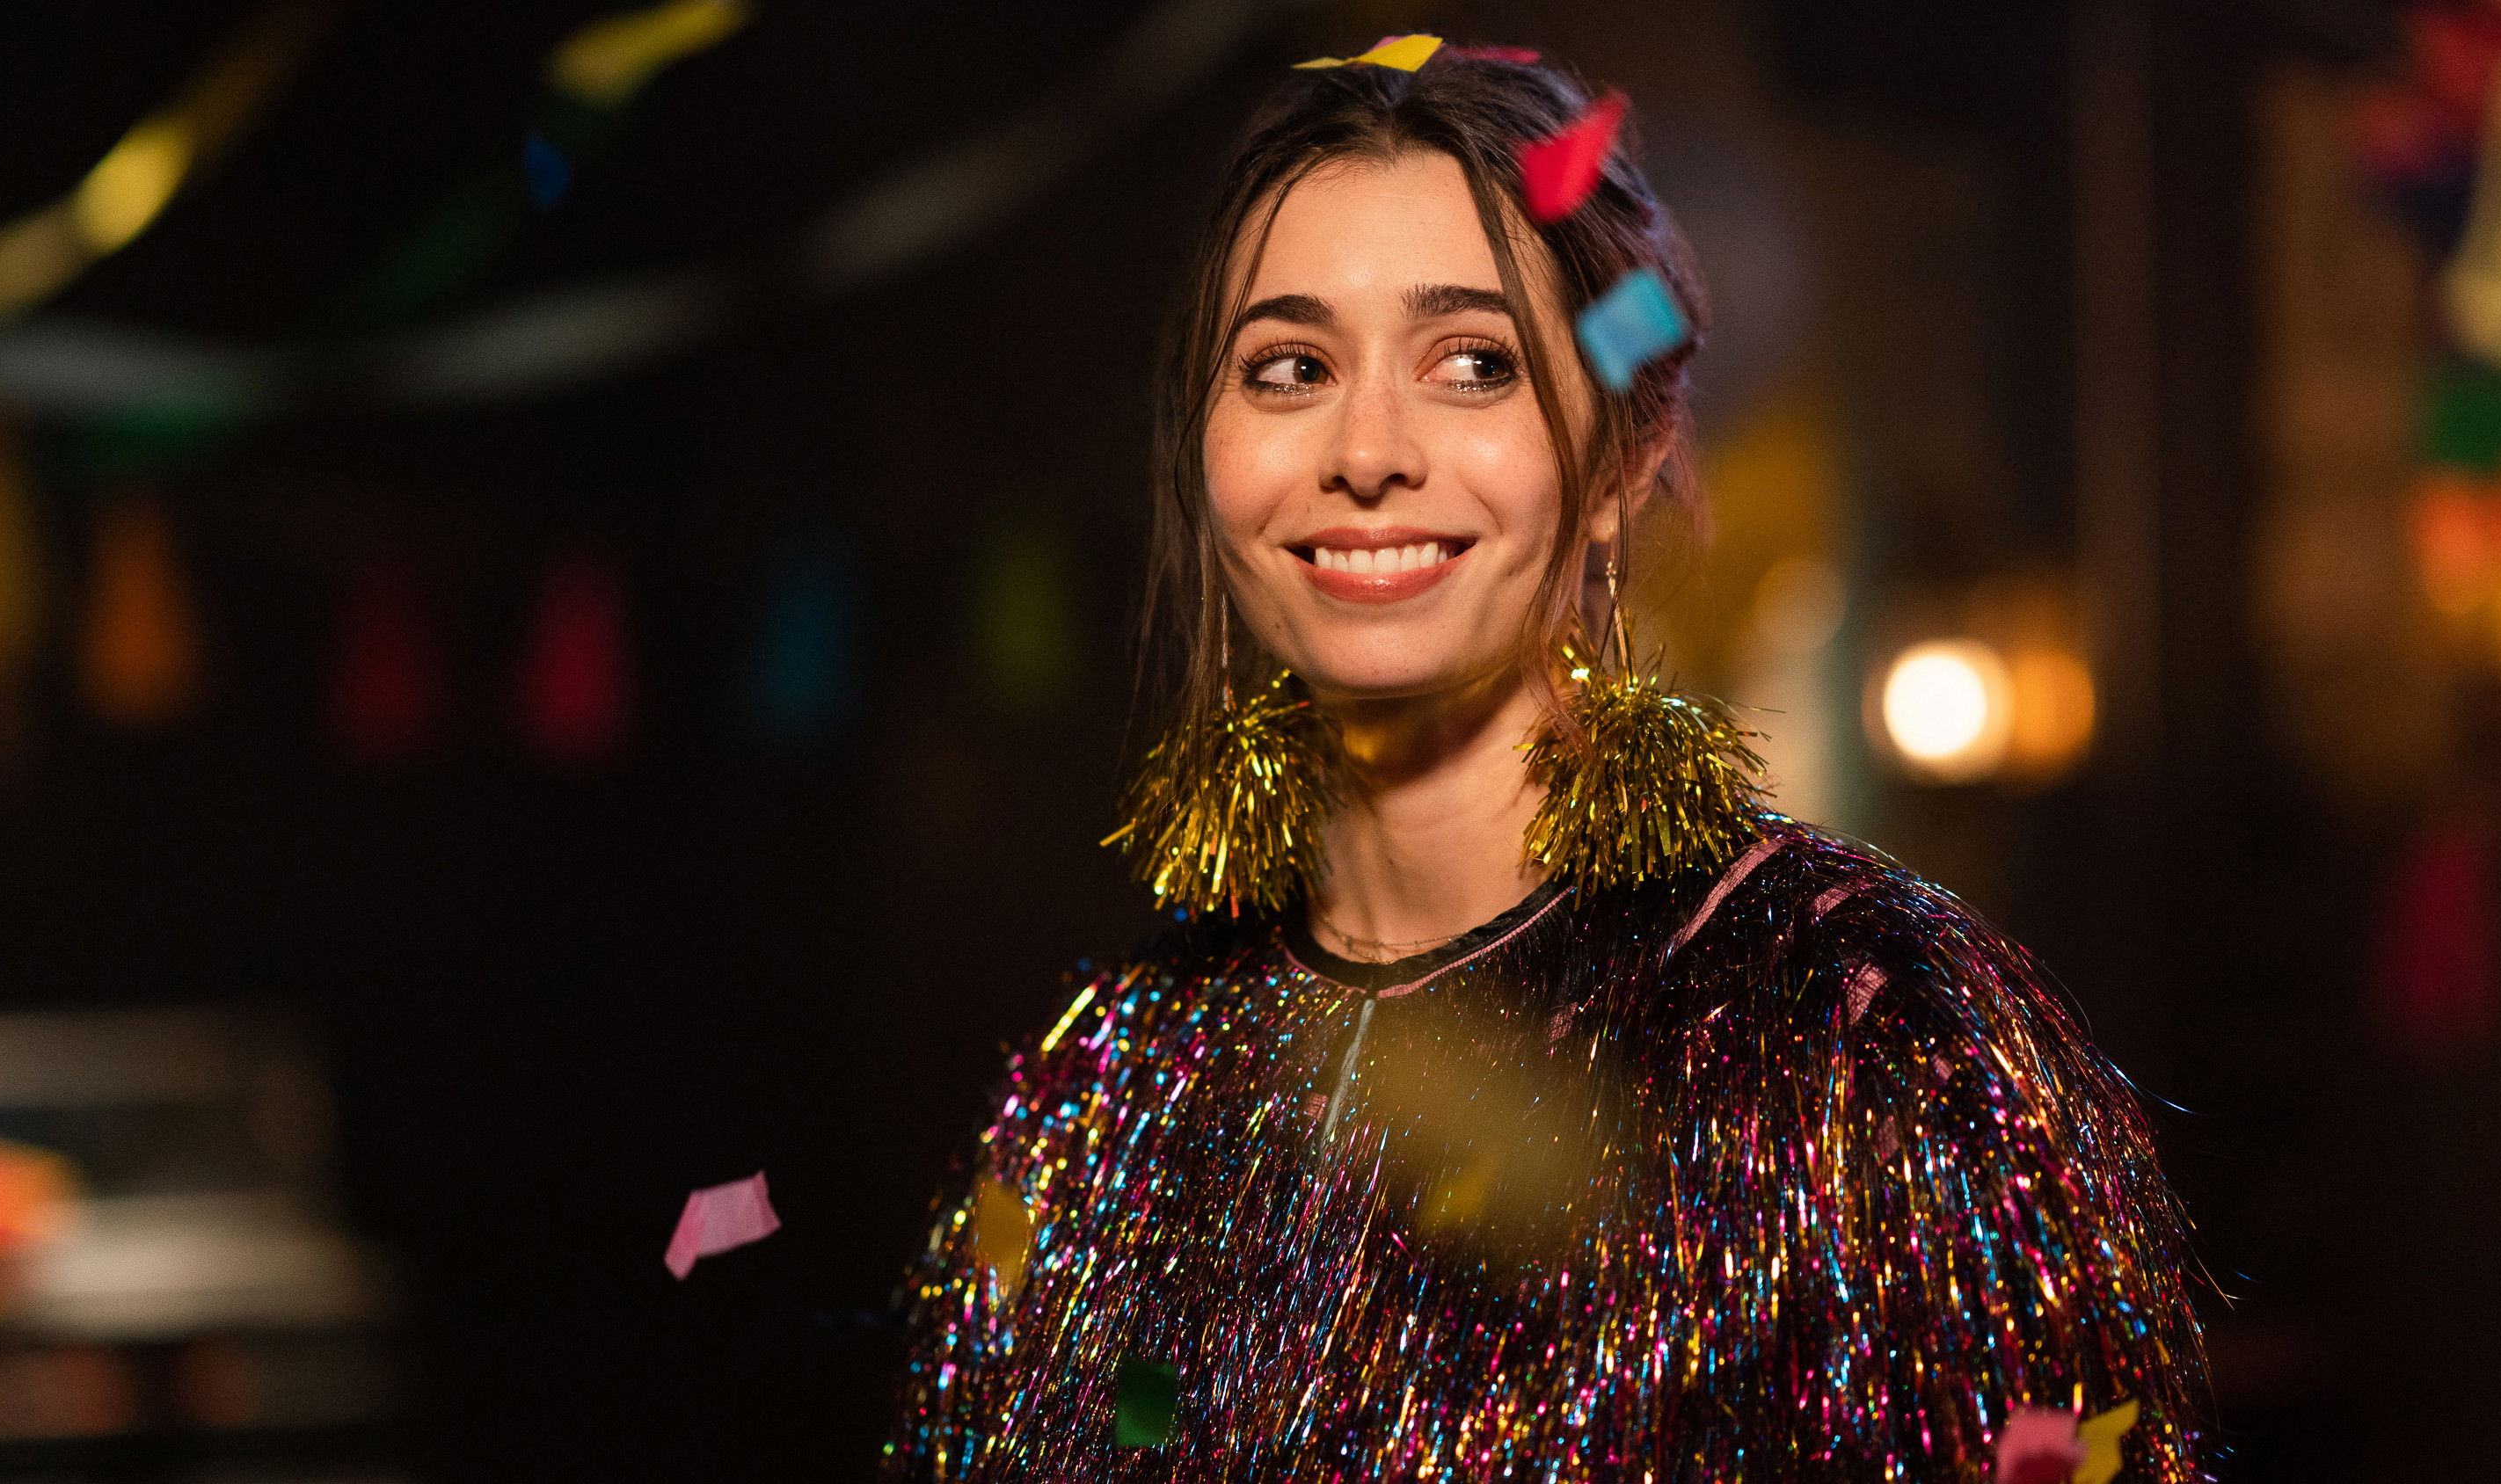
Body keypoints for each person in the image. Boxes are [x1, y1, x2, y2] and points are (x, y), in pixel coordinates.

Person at [887, 42, 2209, 1480]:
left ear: (1624, 455)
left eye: (1475, 364)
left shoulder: (1863, 1040)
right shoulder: (1103, 1096)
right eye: (1290, 368)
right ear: (1208, 457)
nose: (1367, 451)